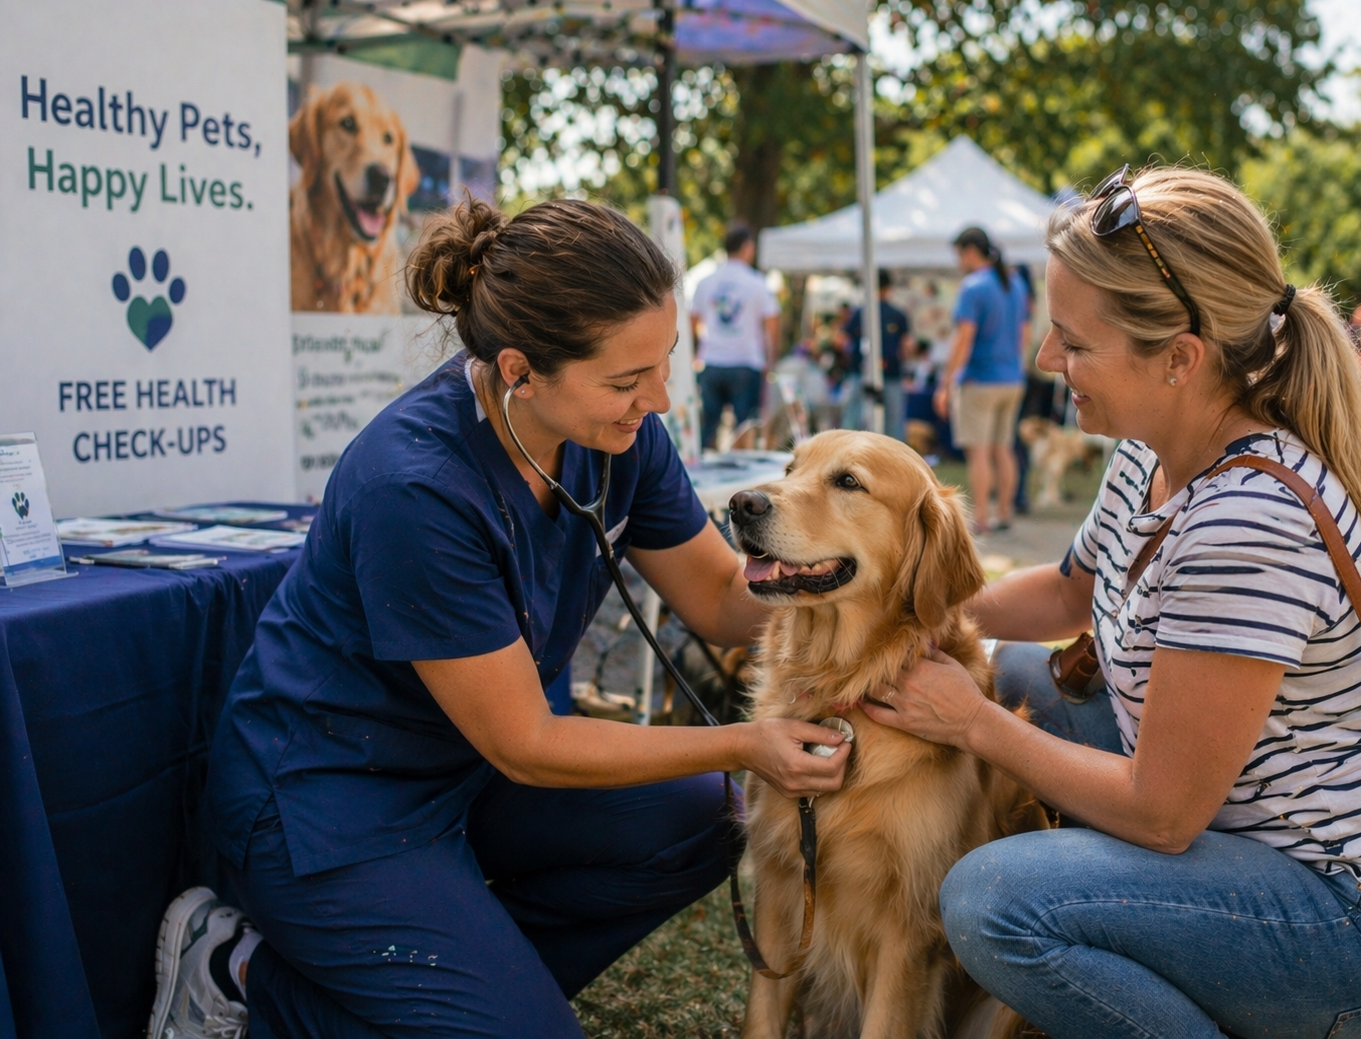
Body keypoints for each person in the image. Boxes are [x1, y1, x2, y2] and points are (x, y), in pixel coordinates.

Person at [148, 198, 850, 1039]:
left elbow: (722, 603)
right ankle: (240, 973)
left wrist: (846, 570)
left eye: (663, 362)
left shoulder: (617, 434)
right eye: (627, 381)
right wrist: (744, 744)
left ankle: (467, 989)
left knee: (700, 819)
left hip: (470, 779)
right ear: (518, 369)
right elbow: (527, 741)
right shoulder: (415, 484)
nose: (657, 399)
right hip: (330, 800)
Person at [868, 166, 1361, 1039]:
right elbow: (1069, 591)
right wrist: (906, 614)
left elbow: (1162, 812)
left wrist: (973, 723)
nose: (1044, 361)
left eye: (1071, 340)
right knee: (1021, 669)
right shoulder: (1153, 448)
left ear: (1178, 357)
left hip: (1346, 919)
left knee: (992, 900)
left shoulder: (1247, 520)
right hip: (1243, 836)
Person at [934, 227, 1030, 533]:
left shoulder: (973, 287)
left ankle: (981, 519)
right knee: (1003, 448)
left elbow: (963, 340)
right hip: (1011, 378)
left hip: (980, 380)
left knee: (979, 452)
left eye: (959, 255)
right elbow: (1024, 335)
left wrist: (946, 383)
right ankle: (1004, 512)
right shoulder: (1015, 283)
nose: (958, 262)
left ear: (970, 252)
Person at [690, 222, 781, 450]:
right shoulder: (757, 282)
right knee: (745, 431)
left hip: (712, 361)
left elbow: (692, 321)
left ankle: (702, 480)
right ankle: (741, 482)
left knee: (708, 429)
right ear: (747, 247)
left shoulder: (706, 281)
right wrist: (771, 360)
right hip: (746, 362)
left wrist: (697, 351)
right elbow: (772, 325)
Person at [842, 269, 914, 440]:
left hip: (861, 370)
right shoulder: (898, 314)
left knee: (854, 418)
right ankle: (893, 459)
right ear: (888, 287)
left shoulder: (860, 312)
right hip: (890, 372)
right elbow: (907, 346)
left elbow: (842, 341)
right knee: (893, 421)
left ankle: (847, 453)